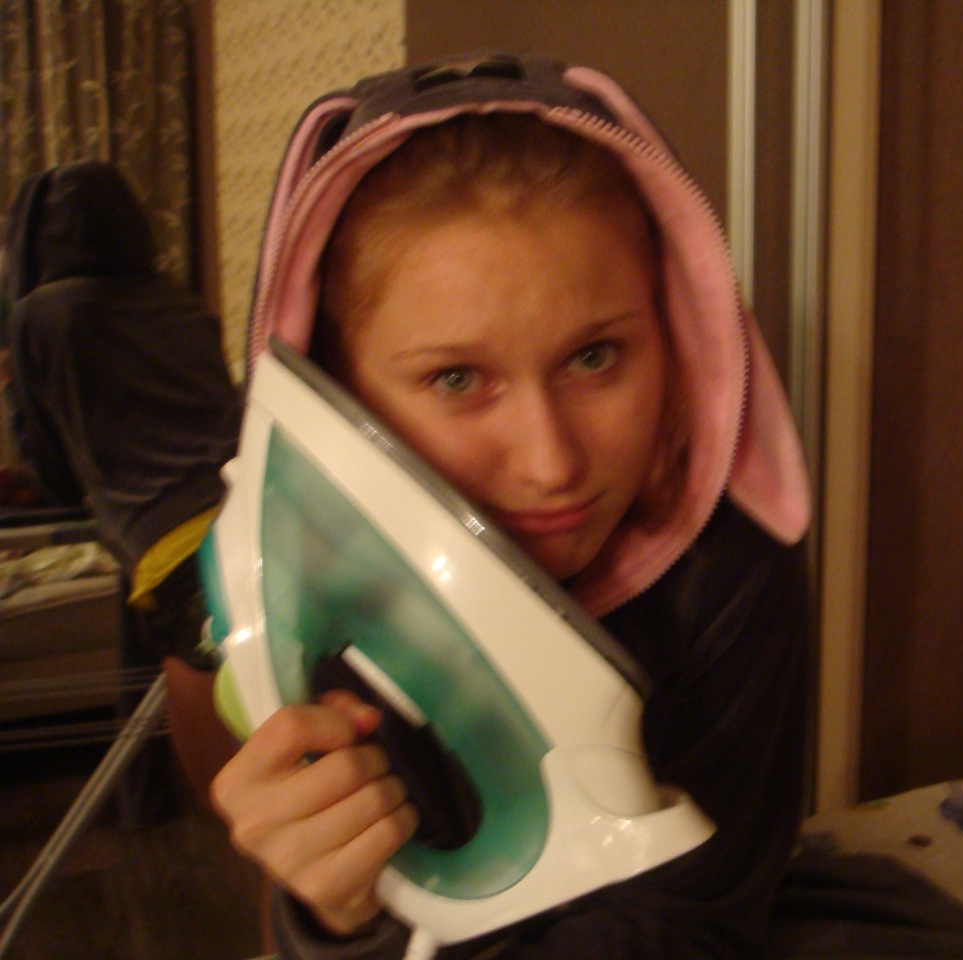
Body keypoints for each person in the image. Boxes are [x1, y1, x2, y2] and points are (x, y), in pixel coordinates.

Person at [210, 54, 812, 959]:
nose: (551, 463)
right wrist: (336, 911)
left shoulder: (729, 566)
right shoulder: (337, 608)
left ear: (679, 337)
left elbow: (709, 913)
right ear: (335, 398)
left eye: (595, 358)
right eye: (457, 379)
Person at [3, 161, 245, 812]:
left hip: (169, 546)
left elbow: (53, 469)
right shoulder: (180, 302)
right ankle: (144, 797)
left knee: (230, 784)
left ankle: (157, 811)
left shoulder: (41, 315)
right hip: (245, 508)